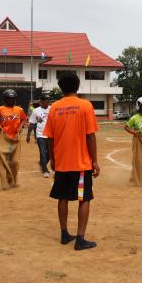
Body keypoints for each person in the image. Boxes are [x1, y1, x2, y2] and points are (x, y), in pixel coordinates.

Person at [44, 73, 100, 251]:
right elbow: (90, 135)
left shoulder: (54, 108)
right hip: (81, 164)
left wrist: (52, 159)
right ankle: (80, 239)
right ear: (77, 86)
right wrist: (95, 161)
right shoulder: (85, 106)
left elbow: (50, 138)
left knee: (63, 198)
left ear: (61, 87)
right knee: (84, 199)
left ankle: (64, 233)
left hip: (61, 162)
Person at [0, 90, 27, 190]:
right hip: (4, 137)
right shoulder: (0, 109)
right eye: (9, 99)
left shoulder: (19, 109)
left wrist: (21, 126)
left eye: (12, 99)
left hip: (16, 138)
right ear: (5, 99)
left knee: (15, 161)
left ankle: (14, 180)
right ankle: (4, 183)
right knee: (3, 160)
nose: (11, 100)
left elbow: (24, 119)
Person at [26, 94, 51, 178]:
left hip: (50, 135)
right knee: (43, 153)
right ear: (41, 102)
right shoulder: (35, 111)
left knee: (50, 154)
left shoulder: (52, 109)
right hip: (40, 135)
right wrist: (28, 135)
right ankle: (45, 170)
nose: (47, 102)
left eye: (48, 101)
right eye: (45, 101)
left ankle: (42, 164)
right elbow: (32, 124)